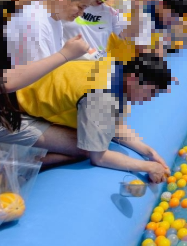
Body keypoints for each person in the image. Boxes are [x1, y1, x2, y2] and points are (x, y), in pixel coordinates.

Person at [0, 0, 89, 158]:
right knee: (85, 148)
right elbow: (6, 81)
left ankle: (36, 163)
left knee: (85, 144)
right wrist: (65, 54)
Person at [14, 53, 172, 180]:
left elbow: (111, 124)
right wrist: (148, 167)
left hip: (23, 89)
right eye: (150, 92)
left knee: (96, 136)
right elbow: (98, 157)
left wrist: (149, 152)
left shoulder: (113, 66)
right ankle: (21, 168)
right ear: (133, 79)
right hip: (13, 113)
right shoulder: (103, 96)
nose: (149, 99)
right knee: (85, 148)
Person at [6, 0, 100, 67]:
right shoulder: (34, 22)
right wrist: (67, 54)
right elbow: (39, 74)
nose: (81, 13)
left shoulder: (55, 18)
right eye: (80, 7)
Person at [62, 0, 143, 61]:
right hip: (71, 65)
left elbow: (125, 36)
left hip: (98, 65)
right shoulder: (70, 5)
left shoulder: (110, 13)